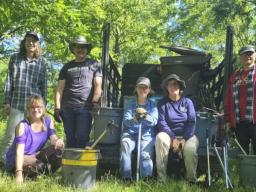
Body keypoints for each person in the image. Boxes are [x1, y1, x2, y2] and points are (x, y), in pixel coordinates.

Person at [2, 31, 47, 162]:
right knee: (10, 136)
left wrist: (43, 106)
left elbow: (43, 85)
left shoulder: (42, 63)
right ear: (24, 42)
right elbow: (9, 81)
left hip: (34, 108)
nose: (31, 43)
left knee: (31, 137)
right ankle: (4, 162)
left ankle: (27, 162)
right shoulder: (15, 58)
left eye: (34, 41)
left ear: (37, 44)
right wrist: (7, 102)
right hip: (16, 103)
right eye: (28, 40)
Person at [54, 35, 102, 148]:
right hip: (67, 107)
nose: (80, 49)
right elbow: (59, 89)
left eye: (83, 47)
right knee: (70, 138)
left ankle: (81, 165)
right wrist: (57, 107)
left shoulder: (94, 64)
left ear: (87, 49)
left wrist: (95, 102)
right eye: (78, 47)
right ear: (74, 49)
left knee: (82, 137)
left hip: (85, 107)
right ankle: (71, 165)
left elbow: (98, 85)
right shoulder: (66, 67)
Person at [5, 95, 64, 183]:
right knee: (40, 166)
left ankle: (40, 172)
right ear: (28, 109)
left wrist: (58, 141)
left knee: (59, 152)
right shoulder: (22, 126)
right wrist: (18, 174)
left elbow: (53, 138)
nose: (36, 110)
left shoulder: (48, 120)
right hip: (18, 159)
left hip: (35, 155)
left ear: (43, 108)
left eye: (38, 107)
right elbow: (19, 152)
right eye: (32, 107)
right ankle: (23, 174)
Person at [155, 74, 199, 183]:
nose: (172, 87)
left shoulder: (188, 102)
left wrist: (184, 139)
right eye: (169, 85)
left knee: (190, 150)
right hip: (169, 136)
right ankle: (161, 179)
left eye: (175, 84)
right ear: (166, 88)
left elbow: (191, 122)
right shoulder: (162, 103)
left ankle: (191, 180)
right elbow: (161, 123)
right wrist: (173, 138)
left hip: (187, 136)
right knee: (160, 138)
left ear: (180, 87)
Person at [120, 77, 158, 181]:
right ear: (136, 89)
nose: (142, 90)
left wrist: (145, 116)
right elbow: (126, 121)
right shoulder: (130, 104)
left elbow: (154, 121)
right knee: (125, 144)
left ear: (149, 90)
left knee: (145, 153)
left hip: (146, 135)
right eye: (140, 87)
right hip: (130, 133)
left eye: (145, 87)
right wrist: (134, 119)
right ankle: (126, 177)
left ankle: (146, 178)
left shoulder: (153, 105)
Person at [224, 45, 256, 154]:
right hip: (239, 122)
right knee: (243, 154)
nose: (248, 56)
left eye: (250, 54)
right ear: (240, 57)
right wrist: (228, 119)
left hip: (254, 121)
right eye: (245, 54)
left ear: (254, 55)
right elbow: (228, 99)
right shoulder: (235, 76)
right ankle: (245, 172)